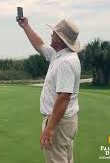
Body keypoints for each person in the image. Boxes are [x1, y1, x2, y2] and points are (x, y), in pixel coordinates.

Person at [18, 17, 81, 163]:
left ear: (59, 38)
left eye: (53, 33)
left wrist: (50, 128)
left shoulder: (65, 62)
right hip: (64, 120)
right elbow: (40, 45)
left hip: (59, 121)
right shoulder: (59, 55)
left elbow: (64, 97)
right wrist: (25, 26)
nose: (51, 35)